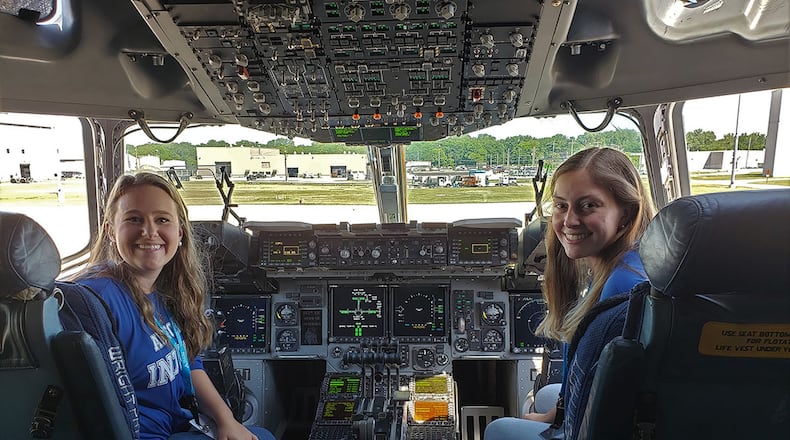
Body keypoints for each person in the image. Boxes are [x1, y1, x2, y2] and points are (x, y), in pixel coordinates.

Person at [73, 172, 276, 440]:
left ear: (179, 232)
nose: (149, 231)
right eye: (134, 219)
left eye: (162, 220)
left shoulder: (167, 291)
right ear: (111, 231)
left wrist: (226, 420)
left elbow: (189, 361)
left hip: (175, 423)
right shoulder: (97, 298)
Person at [485, 147, 655, 440]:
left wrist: (557, 426)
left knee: (498, 429)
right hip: (627, 416)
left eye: (588, 206)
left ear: (625, 215)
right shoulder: (634, 265)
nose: (569, 221)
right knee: (549, 393)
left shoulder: (622, 289)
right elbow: (592, 379)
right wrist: (554, 416)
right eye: (561, 206)